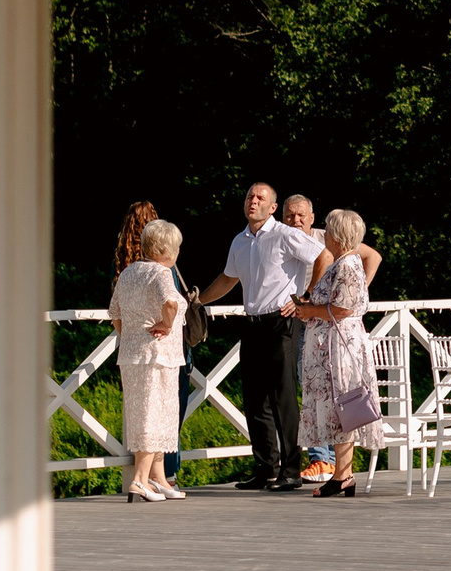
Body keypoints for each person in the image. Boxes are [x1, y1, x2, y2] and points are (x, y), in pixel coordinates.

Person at [193, 182, 328, 490]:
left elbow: (324, 256)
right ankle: (266, 467)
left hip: (281, 324)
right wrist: (200, 301)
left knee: (283, 398)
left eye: (260, 198)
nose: (253, 201)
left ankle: (291, 470)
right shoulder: (240, 241)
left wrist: (306, 298)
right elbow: (229, 278)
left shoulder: (285, 234)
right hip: (252, 323)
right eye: (250, 196)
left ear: (272, 208)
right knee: (254, 400)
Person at [286, 210, 384, 497]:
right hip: (334, 342)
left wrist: (308, 311)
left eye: (328, 230)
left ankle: (342, 474)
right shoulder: (343, 263)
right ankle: (344, 474)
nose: (324, 234)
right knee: (340, 406)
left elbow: (343, 308)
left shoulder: (347, 265)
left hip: (339, 346)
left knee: (343, 404)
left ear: (339, 236)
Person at [109, 220, 188, 502]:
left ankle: (158, 478)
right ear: (166, 249)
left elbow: (114, 313)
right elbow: (171, 303)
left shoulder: (129, 273)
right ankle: (140, 480)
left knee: (148, 414)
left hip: (132, 355)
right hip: (158, 355)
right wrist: (166, 325)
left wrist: (131, 336)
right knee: (153, 416)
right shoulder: (161, 273)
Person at [283, 195, 337, 486]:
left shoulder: (323, 239)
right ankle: (324, 458)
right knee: (310, 387)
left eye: (301, 215)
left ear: (312, 217)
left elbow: (371, 256)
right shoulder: (280, 239)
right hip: (293, 321)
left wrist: (310, 297)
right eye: (290, 216)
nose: (296, 220)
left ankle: (322, 459)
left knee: (317, 386)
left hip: (319, 322)